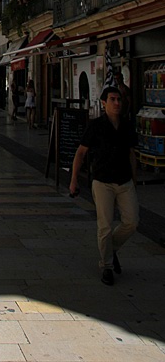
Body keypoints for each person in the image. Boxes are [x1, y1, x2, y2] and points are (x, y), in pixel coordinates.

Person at [69, 85, 139, 286]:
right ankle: (106, 265)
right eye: (112, 99)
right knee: (105, 226)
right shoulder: (96, 125)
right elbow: (81, 152)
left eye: (119, 99)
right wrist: (73, 180)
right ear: (103, 103)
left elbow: (131, 154)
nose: (117, 103)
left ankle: (111, 248)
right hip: (102, 181)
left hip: (124, 181)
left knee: (132, 221)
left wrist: (134, 180)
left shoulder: (126, 125)